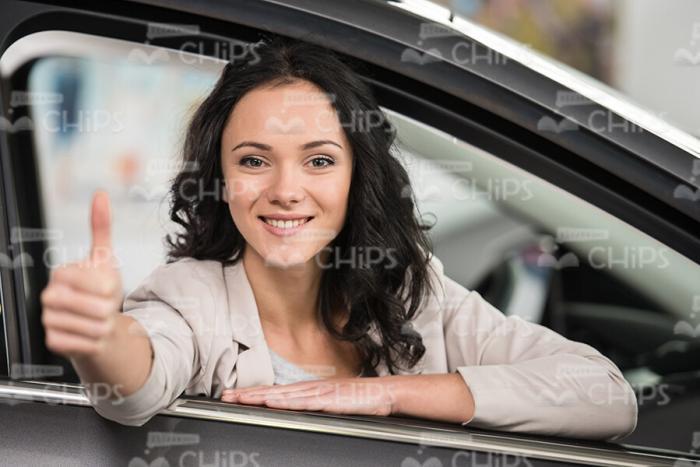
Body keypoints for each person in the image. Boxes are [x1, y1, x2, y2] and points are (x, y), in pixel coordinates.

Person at [40, 36, 637, 440]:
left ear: (358, 175)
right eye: (254, 161)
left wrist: (388, 396)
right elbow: (134, 386)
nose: (286, 190)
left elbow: (608, 396)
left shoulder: (412, 292)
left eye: (319, 161)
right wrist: (101, 336)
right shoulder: (187, 297)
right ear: (221, 180)